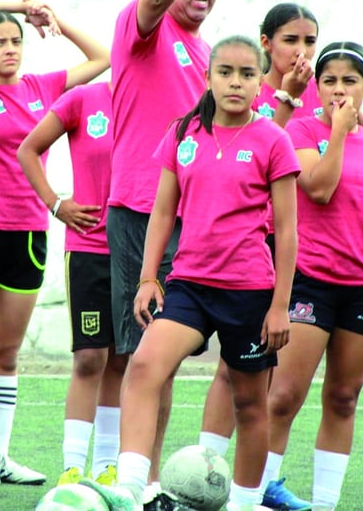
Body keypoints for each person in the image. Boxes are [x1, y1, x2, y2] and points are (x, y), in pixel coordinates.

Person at [86, 35, 299, 511]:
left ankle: (244, 504)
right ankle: (131, 488)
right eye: (225, 72)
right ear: (208, 78)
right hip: (188, 286)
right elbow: (163, 212)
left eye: (247, 74)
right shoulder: (183, 133)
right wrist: (147, 278)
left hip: (249, 291)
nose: (236, 82)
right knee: (143, 367)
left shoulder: (273, 140)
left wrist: (281, 306)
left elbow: (286, 232)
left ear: (261, 82)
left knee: (248, 404)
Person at [0, 0, 110, 488]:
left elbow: (103, 58)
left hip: (30, 232)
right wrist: (18, 5)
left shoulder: (44, 88)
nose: (10, 50)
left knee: (7, 354)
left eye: (16, 41)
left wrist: (55, 23)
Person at [263, 42, 363, 511]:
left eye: (350, 81)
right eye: (329, 80)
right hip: (311, 282)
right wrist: (341, 133)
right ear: (317, 87)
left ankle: (326, 503)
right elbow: (319, 189)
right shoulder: (302, 130)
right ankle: (258, 492)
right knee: (284, 395)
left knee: (343, 397)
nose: (339, 90)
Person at [107, 0, 219, 489]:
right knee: (142, 356)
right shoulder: (143, 26)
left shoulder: (206, 53)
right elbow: (154, 0)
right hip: (138, 209)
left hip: (193, 220)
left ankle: (149, 481)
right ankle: (133, 484)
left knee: (165, 360)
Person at [198, 2, 321, 511]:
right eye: (291, 40)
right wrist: (285, 103)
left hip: (291, 247)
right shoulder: (247, 86)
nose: (302, 52)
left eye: (310, 41)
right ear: (266, 43)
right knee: (231, 368)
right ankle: (204, 472)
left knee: (271, 375)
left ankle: (263, 477)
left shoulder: (324, 91)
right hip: (242, 246)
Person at [17, 77, 126, 487]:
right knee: (90, 358)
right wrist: (56, 203)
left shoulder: (161, 101)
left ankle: (107, 468)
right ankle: (73, 466)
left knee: (122, 359)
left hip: (137, 251)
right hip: (89, 250)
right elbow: (27, 148)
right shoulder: (85, 98)